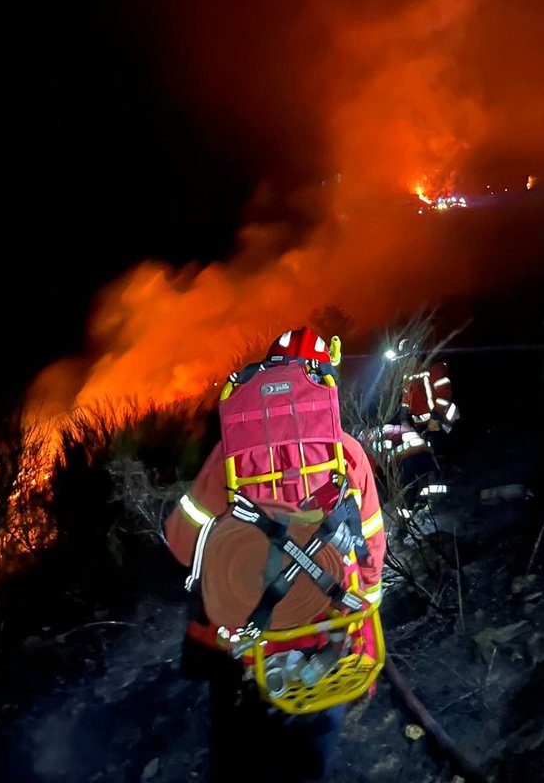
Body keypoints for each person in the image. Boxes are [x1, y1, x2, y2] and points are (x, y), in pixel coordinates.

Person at [165, 327, 386, 783]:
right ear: (324, 380)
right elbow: (370, 560)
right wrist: (360, 635)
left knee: (238, 766)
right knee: (308, 767)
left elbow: (182, 544)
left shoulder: (229, 455)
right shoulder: (347, 454)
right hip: (328, 639)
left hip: (247, 649)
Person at [371, 339, 459, 528]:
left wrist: (436, 418)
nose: (403, 362)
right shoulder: (409, 374)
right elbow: (406, 398)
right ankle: (422, 501)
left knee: (433, 459)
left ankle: (437, 504)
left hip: (437, 421)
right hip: (418, 422)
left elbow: (443, 394)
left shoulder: (434, 369)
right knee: (421, 459)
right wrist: (403, 417)